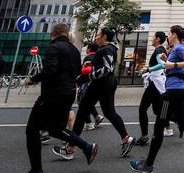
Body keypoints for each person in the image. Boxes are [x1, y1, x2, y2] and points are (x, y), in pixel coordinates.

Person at [10, 23, 98, 173]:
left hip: (53, 93)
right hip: (70, 92)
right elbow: (77, 71)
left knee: (32, 129)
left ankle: (36, 171)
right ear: (66, 34)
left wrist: (33, 79)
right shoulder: (74, 50)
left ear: (53, 34)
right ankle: (86, 146)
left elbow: (49, 70)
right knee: (55, 128)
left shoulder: (54, 47)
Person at [130, 25, 184, 173]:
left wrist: (173, 64)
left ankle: (148, 164)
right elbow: (171, 67)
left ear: (175, 35)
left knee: (159, 125)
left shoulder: (179, 49)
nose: (168, 37)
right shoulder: (174, 50)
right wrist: (166, 61)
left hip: (172, 93)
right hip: (179, 90)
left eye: (169, 34)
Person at [57, 27, 135, 160]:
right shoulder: (110, 49)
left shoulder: (106, 49)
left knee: (82, 113)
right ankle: (126, 138)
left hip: (100, 84)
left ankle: (70, 148)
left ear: (104, 37)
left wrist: (90, 76)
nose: (96, 37)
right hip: (107, 83)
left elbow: (107, 68)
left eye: (98, 34)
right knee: (109, 112)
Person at [135, 32, 168, 146]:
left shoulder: (159, 50)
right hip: (159, 82)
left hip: (155, 82)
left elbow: (162, 65)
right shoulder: (161, 49)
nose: (151, 39)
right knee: (159, 109)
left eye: (153, 37)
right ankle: (180, 122)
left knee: (142, 109)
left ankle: (144, 137)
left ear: (157, 39)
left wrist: (147, 70)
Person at [78, 42, 104, 132]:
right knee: (88, 101)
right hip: (96, 83)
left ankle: (89, 123)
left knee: (82, 103)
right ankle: (96, 117)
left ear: (89, 49)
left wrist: (80, 72)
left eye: (87, 48)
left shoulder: (88, 57)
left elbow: (86, 70)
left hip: (86, 82)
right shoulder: (99, 57)